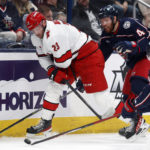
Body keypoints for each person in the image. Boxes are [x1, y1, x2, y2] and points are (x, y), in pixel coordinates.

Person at [25, 11, 115, 137]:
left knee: (100, 97)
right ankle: (45, 123)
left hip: (88, 54)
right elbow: (43, 58)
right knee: (54, 85)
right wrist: (52, 70)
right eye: (32, 30)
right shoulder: (37, 37)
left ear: (44, 23)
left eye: (37, 28)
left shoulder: (55, 34)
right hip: (71, 57)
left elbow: (64, 64)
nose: (35, 32)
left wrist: (56, 72)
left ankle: (133, 119)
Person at [98, 5, 150, 140]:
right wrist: (86, 77)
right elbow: (99, 59)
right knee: (126, 98)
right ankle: (138, 124)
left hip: (145, 58)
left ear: (114, 18)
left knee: (137, 85)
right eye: (101, 21)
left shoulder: (129, 24)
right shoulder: (106, 36)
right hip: (132, 64)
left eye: (106, 20)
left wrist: (133, 46)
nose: (103, 24)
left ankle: (139, 122)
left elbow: (148, 37)